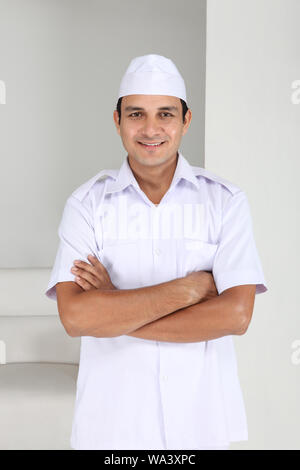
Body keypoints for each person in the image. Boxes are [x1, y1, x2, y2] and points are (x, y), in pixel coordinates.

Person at [45, 54, 268, 450]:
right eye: (136, 114)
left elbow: (236, 315)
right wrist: (186, 291)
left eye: (165, 113)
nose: (150, 128)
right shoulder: (86, 205)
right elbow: (77, 317)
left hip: (202, 425)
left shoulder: (226, 202)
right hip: (112, 427)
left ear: (186, 121)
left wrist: (113, 307)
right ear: (117, 121)